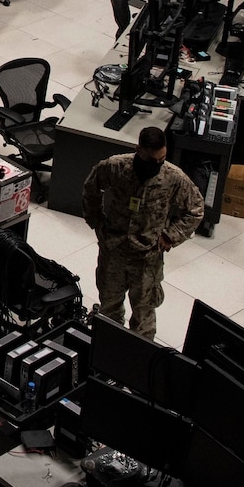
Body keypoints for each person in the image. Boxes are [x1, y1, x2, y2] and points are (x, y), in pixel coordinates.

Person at [79, 126, 204, 340]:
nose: (156, 165)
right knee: (109, 311)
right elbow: (91, 189)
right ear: (138, 150)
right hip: (114, 250)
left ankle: (137, 362)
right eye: (151, 160)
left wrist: (170, 236)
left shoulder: (172, 177)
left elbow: (196, 209)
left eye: (161, 159)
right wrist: (97, 223)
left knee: (144, 318)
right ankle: (106, 355)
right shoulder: (117, 167)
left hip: (148, 258)